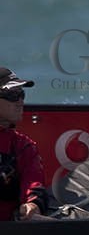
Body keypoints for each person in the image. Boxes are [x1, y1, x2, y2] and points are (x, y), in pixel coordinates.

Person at [0, 67, 49, 220]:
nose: (20, 102)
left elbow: (33, 183)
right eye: (12, 95)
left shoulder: (24, 146)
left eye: (21, 94)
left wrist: (33, 205)